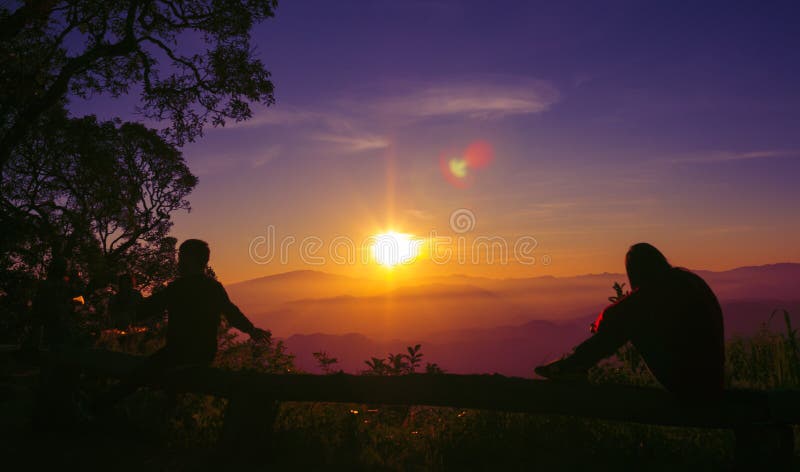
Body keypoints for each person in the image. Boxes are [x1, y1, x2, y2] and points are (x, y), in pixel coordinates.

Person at [535, 243, 725, 401]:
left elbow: (617, 316)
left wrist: (602, 327)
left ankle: (571, 367)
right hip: (712, 379)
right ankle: (573, 365)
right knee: (631, 319)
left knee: (630, 321)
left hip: (689, 384)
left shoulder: (655, 291)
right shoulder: (687, 281)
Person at [98, 239, 270, 406]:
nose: (178, 262)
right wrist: (251, 330)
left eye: (181, 257)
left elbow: (151, 306)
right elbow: (232, 312)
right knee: (166, 382)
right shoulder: (213, 288)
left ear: (190, 259)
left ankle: (99, 406)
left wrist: (128, 316)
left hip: (178, 352)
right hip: (205, 353)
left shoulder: (177, 288)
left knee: (138, 375)